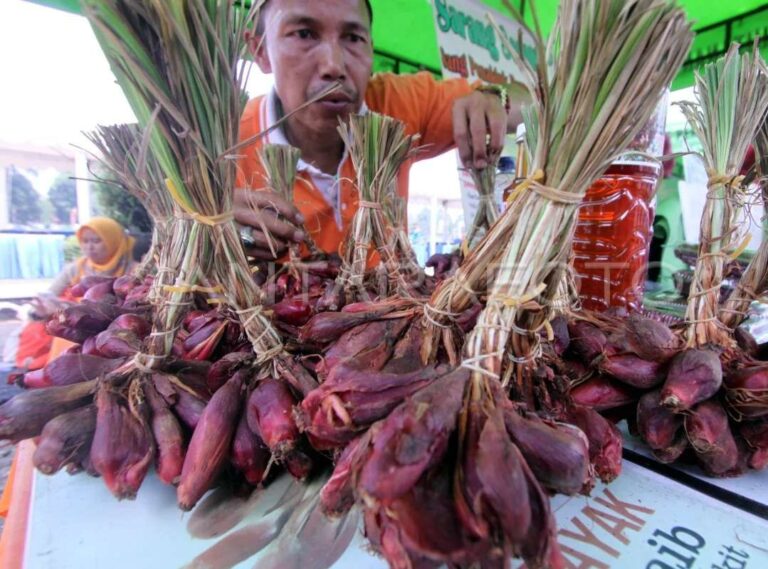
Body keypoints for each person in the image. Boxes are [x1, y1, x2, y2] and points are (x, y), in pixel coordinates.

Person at [234, 0, 522, 261]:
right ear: (260, 51)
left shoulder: (396, 104)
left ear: (371, 48)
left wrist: (494, 97)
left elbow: (532, 103)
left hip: (389, 308)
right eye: (304, 34)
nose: (333, 65)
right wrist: (206, 227)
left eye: (353, 38)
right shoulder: (223, 149)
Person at [14, 217, 136, 370]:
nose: (90, 247)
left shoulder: (135, 271)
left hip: (112, 325)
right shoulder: (76, 268)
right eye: (85, 241)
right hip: (74, 320)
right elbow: (50, 294)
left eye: (97, 241)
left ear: (113, 241)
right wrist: (42, 310)